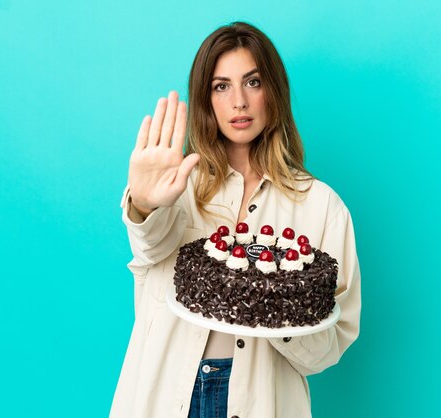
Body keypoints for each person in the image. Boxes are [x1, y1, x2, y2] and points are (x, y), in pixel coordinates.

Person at [109, 21, 361, 418]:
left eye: (253, 82)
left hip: (260, 401)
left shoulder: (322, 206)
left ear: (273, 91)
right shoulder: (178, 185)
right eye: (221, 86)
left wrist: (281, 308)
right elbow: (149, 246)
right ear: (206, 99)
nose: (239, 101)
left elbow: (327, 349)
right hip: (165, 392)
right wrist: (144, 204)